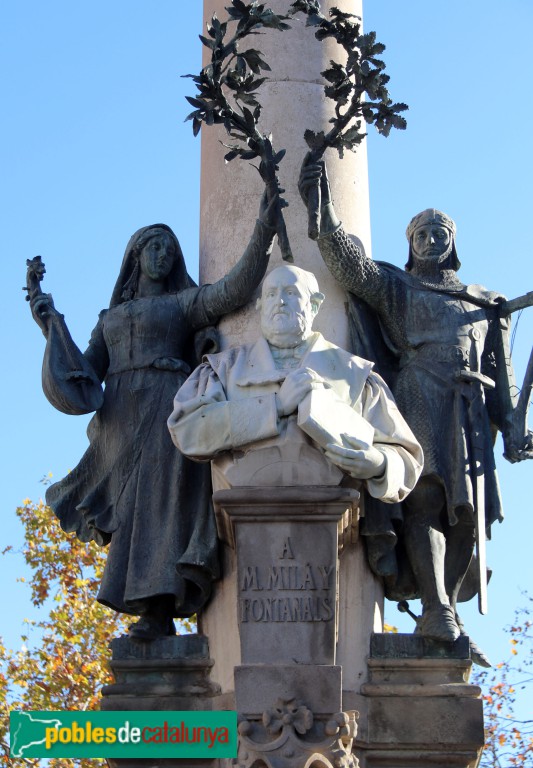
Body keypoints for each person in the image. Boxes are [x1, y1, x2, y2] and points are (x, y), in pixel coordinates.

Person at [299, 158, 533, 659]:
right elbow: (354, 270)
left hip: (468, 410)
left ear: (453, 242)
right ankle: (436, 607)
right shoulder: (399, 287)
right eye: (421, 234)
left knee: (467, 514)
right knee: (424, 499)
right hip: (419, 393)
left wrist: (514, 428)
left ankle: (447, 604)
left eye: (438, 233)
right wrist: (326, 214)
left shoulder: (485, 302)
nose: (430, 240)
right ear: (410, 244)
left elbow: (502, 376)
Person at [29, 193, 277, 639]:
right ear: (135, 256)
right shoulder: (110, 319)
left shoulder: (181, 304)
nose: (163, 255)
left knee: (162, 506)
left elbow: (234, 289)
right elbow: (86, 373)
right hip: (119, 423)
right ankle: (144, 606)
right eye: (154, 247)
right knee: (128, 510)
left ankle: (158, 609)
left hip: (167, 411)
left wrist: (263, 229)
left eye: (169, 249)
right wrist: (51, 325)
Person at [168, 265, 423, 506]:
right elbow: (187, 429)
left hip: (334, 511)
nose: (279, 301)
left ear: (314, 305)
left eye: (291, 293)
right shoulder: (222, 369)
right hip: (242, 508)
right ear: (260, 306)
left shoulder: (355, 373)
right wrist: (275, 406)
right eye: (271, 294)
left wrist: (379, 464)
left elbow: (407, 460)